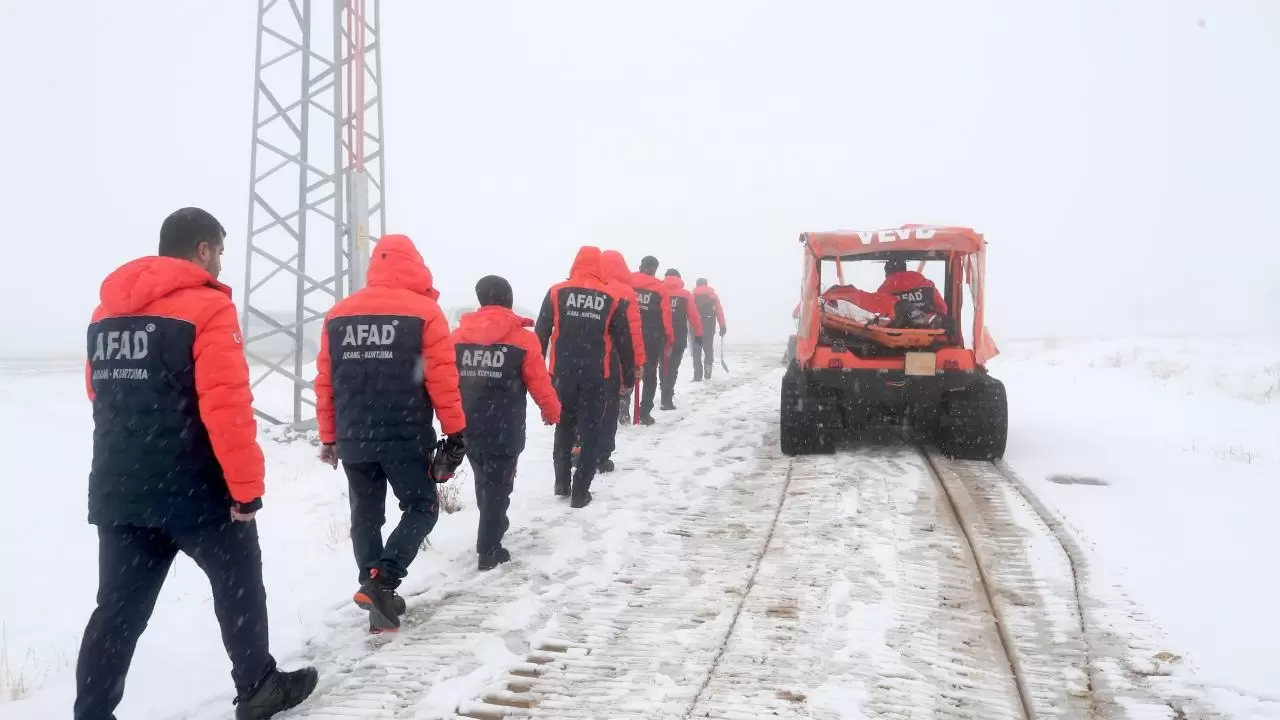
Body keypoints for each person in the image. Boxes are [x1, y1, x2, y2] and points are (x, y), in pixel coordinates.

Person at [77, 207, 317, 720]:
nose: (221, 264)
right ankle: (257, 686)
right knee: (239, 583)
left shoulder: (105, 315)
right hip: (195, 490)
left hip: (121, 489)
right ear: (203, 249)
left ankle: (92, 712)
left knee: (117, 612)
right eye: (221, 252)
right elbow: (226, 407)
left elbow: (98, 393)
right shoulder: (206, 308)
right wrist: (245, 490)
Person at [314, 234, 466, 632]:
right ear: (415, 264)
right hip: (404, 433)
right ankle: (383, 580)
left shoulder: (338, 315)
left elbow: (326, 382)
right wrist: (455, 431)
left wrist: (329, 437)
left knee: (365, 517)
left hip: (353, 437)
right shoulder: (424, 312)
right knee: (422, 506)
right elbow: (442, 379)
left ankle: (374, 592)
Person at [451, 275, 561, 570]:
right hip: (505, 426)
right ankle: (489, 547)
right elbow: (539, 382)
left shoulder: (457, 339)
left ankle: (492, 525)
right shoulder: (524, 340)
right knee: (499, 485)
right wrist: (552, 411)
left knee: (484, 480)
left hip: (467, 424)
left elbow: (443, 380)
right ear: (508, 300)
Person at [535, 246, 635, 507]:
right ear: (599, 268)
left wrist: (535, 371)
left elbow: (541, 332)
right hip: (596, 374)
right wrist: (629, 374)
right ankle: (580, 491)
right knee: (591, 431)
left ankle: (561, 481)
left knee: (564, 425)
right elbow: (623, 341)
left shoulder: (557, 292)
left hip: (562, 373)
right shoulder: (611, 296)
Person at [597, 250, 646, 470]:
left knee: (585, 405)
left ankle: (579, 444)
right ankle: (603, 453)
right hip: (615, 355)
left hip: (585, 356)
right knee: (609, 404)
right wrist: (638, 362)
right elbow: (634, 330)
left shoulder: (591, 287)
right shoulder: (627, 291)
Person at [629, 256, 674, 425]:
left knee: (626, 371)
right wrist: (669, 338)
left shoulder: (628, 282)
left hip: (627, 335)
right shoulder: (660, 289)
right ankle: (644, 412)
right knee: (649, 375)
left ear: (641, 266)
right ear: (655, 269)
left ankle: (624, 408)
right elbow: (666, 318)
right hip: (651, 338)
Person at [659, 268, 703, 410]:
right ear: (679, 278)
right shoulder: (685, 295)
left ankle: (664, 393)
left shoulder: (658, 291)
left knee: (663, 365)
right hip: (678, 337)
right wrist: (698, 334)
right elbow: (694, 316)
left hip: (659, 336)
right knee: (673, 367)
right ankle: (667, 397)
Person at [691, 278, 727, 381]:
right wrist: (722, 325)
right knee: (708, 350)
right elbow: (719, 311)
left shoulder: (693, 297)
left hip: (696, 330)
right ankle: (708, 371)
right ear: (706, 285)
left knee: (697, 351)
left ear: (697, 285)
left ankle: (697, 375)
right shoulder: (713, 297)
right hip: (709, 328)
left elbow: (689, 312)